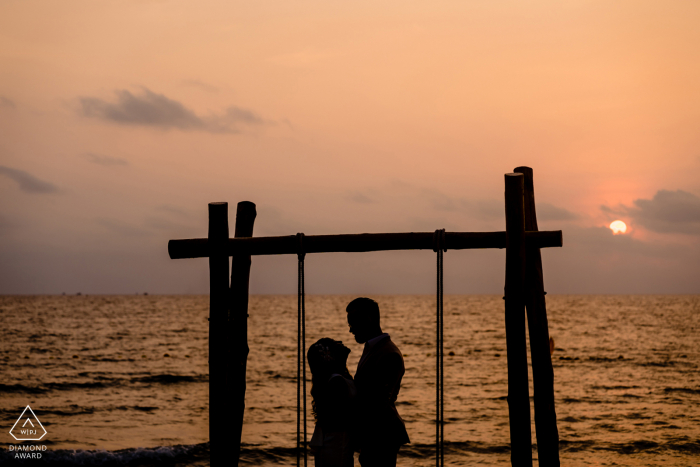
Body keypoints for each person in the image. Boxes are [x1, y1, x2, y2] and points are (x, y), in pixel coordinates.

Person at [346, 297, 409, 467]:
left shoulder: (388, 354)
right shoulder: (374, 349)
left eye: (353, 323)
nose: (350, 330)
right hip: (376, 433)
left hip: (382, 434)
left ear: (369, 319)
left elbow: (378, 402)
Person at [308, 338, 357, 467]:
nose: (341, 344)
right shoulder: (336, 381)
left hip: (336, 440)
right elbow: (344, 414)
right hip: (337, 441)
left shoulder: (334, 379)